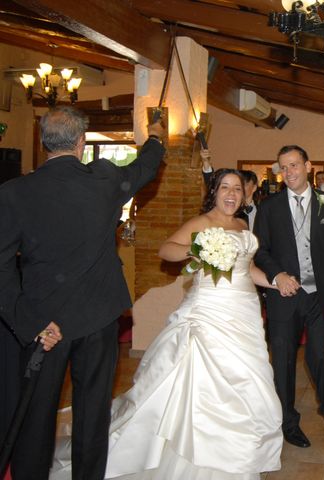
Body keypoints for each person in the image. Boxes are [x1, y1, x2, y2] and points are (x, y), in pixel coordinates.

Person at [51, 170, 283, 480]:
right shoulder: (202, 223)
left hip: (244, 314)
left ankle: (236, 451)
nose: (231, 194)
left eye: (237, 189)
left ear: (244, 194)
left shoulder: (243, 225)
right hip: (207, 315)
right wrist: (197, 249)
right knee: (203, 383)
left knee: (245, 380)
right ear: (214, 192)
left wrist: (277, 281)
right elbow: (166, 249)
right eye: (224, 187)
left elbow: (248, 268)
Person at [0, 106, 165, 480]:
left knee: (36, 417)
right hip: (98, 317)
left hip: (45, 324)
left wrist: (28, 319)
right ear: (81, 142)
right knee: (93, 413)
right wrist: (155, 136)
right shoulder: (105, 179)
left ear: (44, 144)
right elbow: (146, 167)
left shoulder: (13, 193)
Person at [254, 145, 324, 449]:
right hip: (284, 297)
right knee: (282, 360)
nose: (289, 173)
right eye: (283, 168)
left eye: (294, 166)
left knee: (321, 357)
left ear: (308, 166)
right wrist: (278, 276)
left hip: (320, 297)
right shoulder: (269, 207)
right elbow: (260, 250)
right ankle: (288, 422)